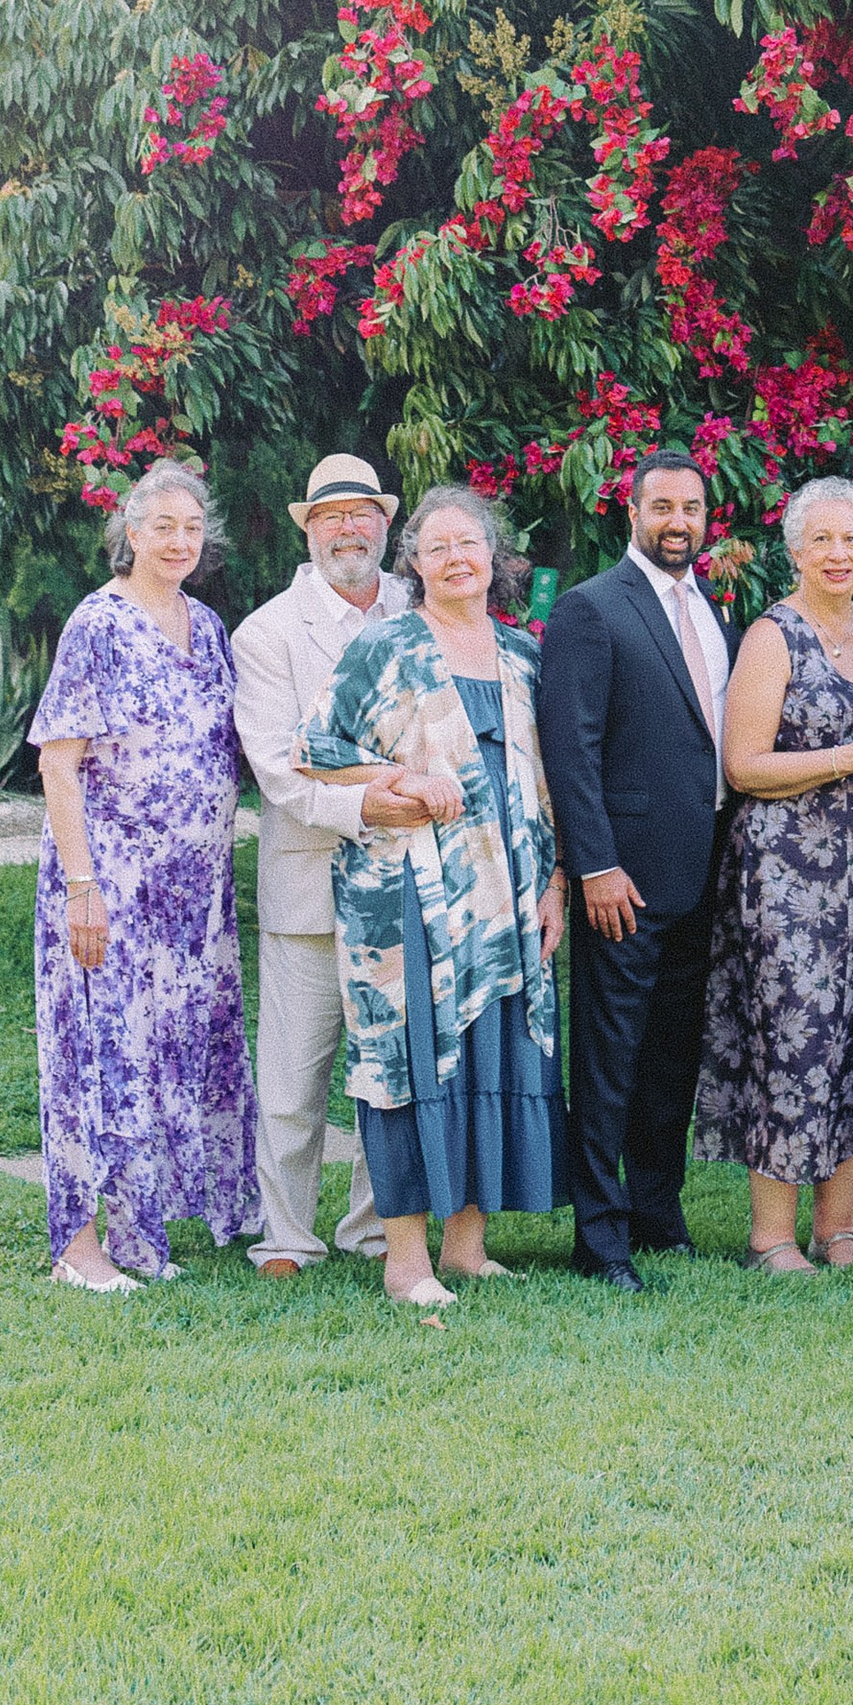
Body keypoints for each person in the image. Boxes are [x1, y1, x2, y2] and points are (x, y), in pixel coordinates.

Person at [297, 485, 567, 1317]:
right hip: (410, 897)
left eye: (470, 544)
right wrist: (399, 777)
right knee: (413, 1063)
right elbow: (315, 748)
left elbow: (552, 786)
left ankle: (468, 1246)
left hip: (512, 901)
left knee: (492, 1050)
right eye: (438, 547)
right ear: (414, 564)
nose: (457, 558)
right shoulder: (387, 650)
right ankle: (405, 1260)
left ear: (495, 558)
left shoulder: (524, 655)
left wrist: (554, 882)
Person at [29, 460, 259, 1290]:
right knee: (97, 1054)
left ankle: (139, 1232)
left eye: (192, 528)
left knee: (160, 1057)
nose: (178, 541)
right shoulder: (97, 623)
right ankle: (79, 1249)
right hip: (110, 885)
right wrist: (81, 887)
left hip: (192, 896)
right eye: (162, 526)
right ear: (131, 533)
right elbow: (60, 765)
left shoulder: (210, 626)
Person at [695, 476, 853, 1271]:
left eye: (851, 540)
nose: (837, 554)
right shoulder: (773, 635)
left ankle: (840, 1230)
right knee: (793, 1038)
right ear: (794, 549)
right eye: (820, 540)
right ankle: (770, 1237)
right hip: (786, 875)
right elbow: (745, 764)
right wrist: (850, 757)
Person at [536, 444, 739, 1288]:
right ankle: (601, 1236)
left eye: (690, 509)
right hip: (622, 877)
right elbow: (571, 749)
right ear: (632, 513)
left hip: (703, 872)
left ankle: (658, 1212)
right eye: (662, 508)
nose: (678, 523)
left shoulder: (717, 613)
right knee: (611, 1058)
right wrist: (593, 867)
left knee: (671, 1057)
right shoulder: (592, 609)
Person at [229, 453, 417, 1276]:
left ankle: (375, 1228)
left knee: (392, 1068)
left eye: (363, 513)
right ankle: (287, 1236)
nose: (350, 527)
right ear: (309, 527)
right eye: (332, 515)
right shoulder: (267, 632)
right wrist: (369, 803)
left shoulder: (419, 609)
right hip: (309, 879)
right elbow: (277, 767)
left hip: (412, 875)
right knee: (294, 1077)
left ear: (386, 524)